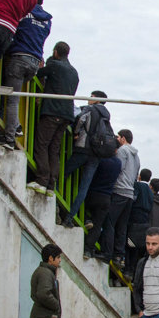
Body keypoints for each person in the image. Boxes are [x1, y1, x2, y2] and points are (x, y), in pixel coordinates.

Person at [0, 0, 52, 149]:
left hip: (19, 57)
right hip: (34, 63)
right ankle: (17, 125)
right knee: (16, 97)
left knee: (12, 99)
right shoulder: (48, 20)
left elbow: (15, 29)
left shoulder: (24, 11)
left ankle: (9, 139)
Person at [26, 43, 78, 195]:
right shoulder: (74, 72)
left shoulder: (54, 65)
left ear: (56, 52)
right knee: (54, 149)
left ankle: (41, 179)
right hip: (67, 115)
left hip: (53, 111)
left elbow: (38, 74)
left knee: (41, 144)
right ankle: (51, 185)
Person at [61, 91, 111, 222]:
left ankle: (56, 197)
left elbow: (80, 120)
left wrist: (76, 133)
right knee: (84, 187)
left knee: (64, 172)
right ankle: (70, 217)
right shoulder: (106, 114)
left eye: (91, 97)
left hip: (83, 147)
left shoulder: (90, 109)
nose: (89, 99)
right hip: (96, 153)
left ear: (96, 99)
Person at [97, 130, 140, 269]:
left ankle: (107, 252)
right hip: (129, 193)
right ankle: (119, 256)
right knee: (122, 226)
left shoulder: (122, 151)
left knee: (109, 221)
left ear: (122, 138)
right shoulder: (136, 156)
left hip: (119, 190)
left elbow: (117, 168)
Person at [82, 155, 121, 260]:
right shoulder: (118, 163)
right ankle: (88, 250)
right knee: (98, 225)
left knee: (82, 205)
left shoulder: (100, 159)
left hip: (93, 193)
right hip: (106, 197)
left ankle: (86, 219)